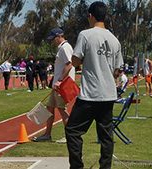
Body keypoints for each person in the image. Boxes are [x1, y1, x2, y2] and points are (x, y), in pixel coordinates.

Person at [65, 2, 123, 168]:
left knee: (73, 130)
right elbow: (116, 70)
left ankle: (77, 166)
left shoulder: (85, 35)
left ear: (90, 15)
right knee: (106, 135)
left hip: (90, 94)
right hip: (108, 93)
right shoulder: (114, 40)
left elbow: (75, 61)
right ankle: (105, 167)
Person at [32, 28, 75, 143]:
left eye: (53, 39)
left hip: (63, 85)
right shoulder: (61, 48)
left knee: (62, 109)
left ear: (59, 36)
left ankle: (70, 136)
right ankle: (47, 135)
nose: (52, 41)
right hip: (57, 85)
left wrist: (60, 80)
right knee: (49, 108)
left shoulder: (65, 47)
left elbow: (69, 65)